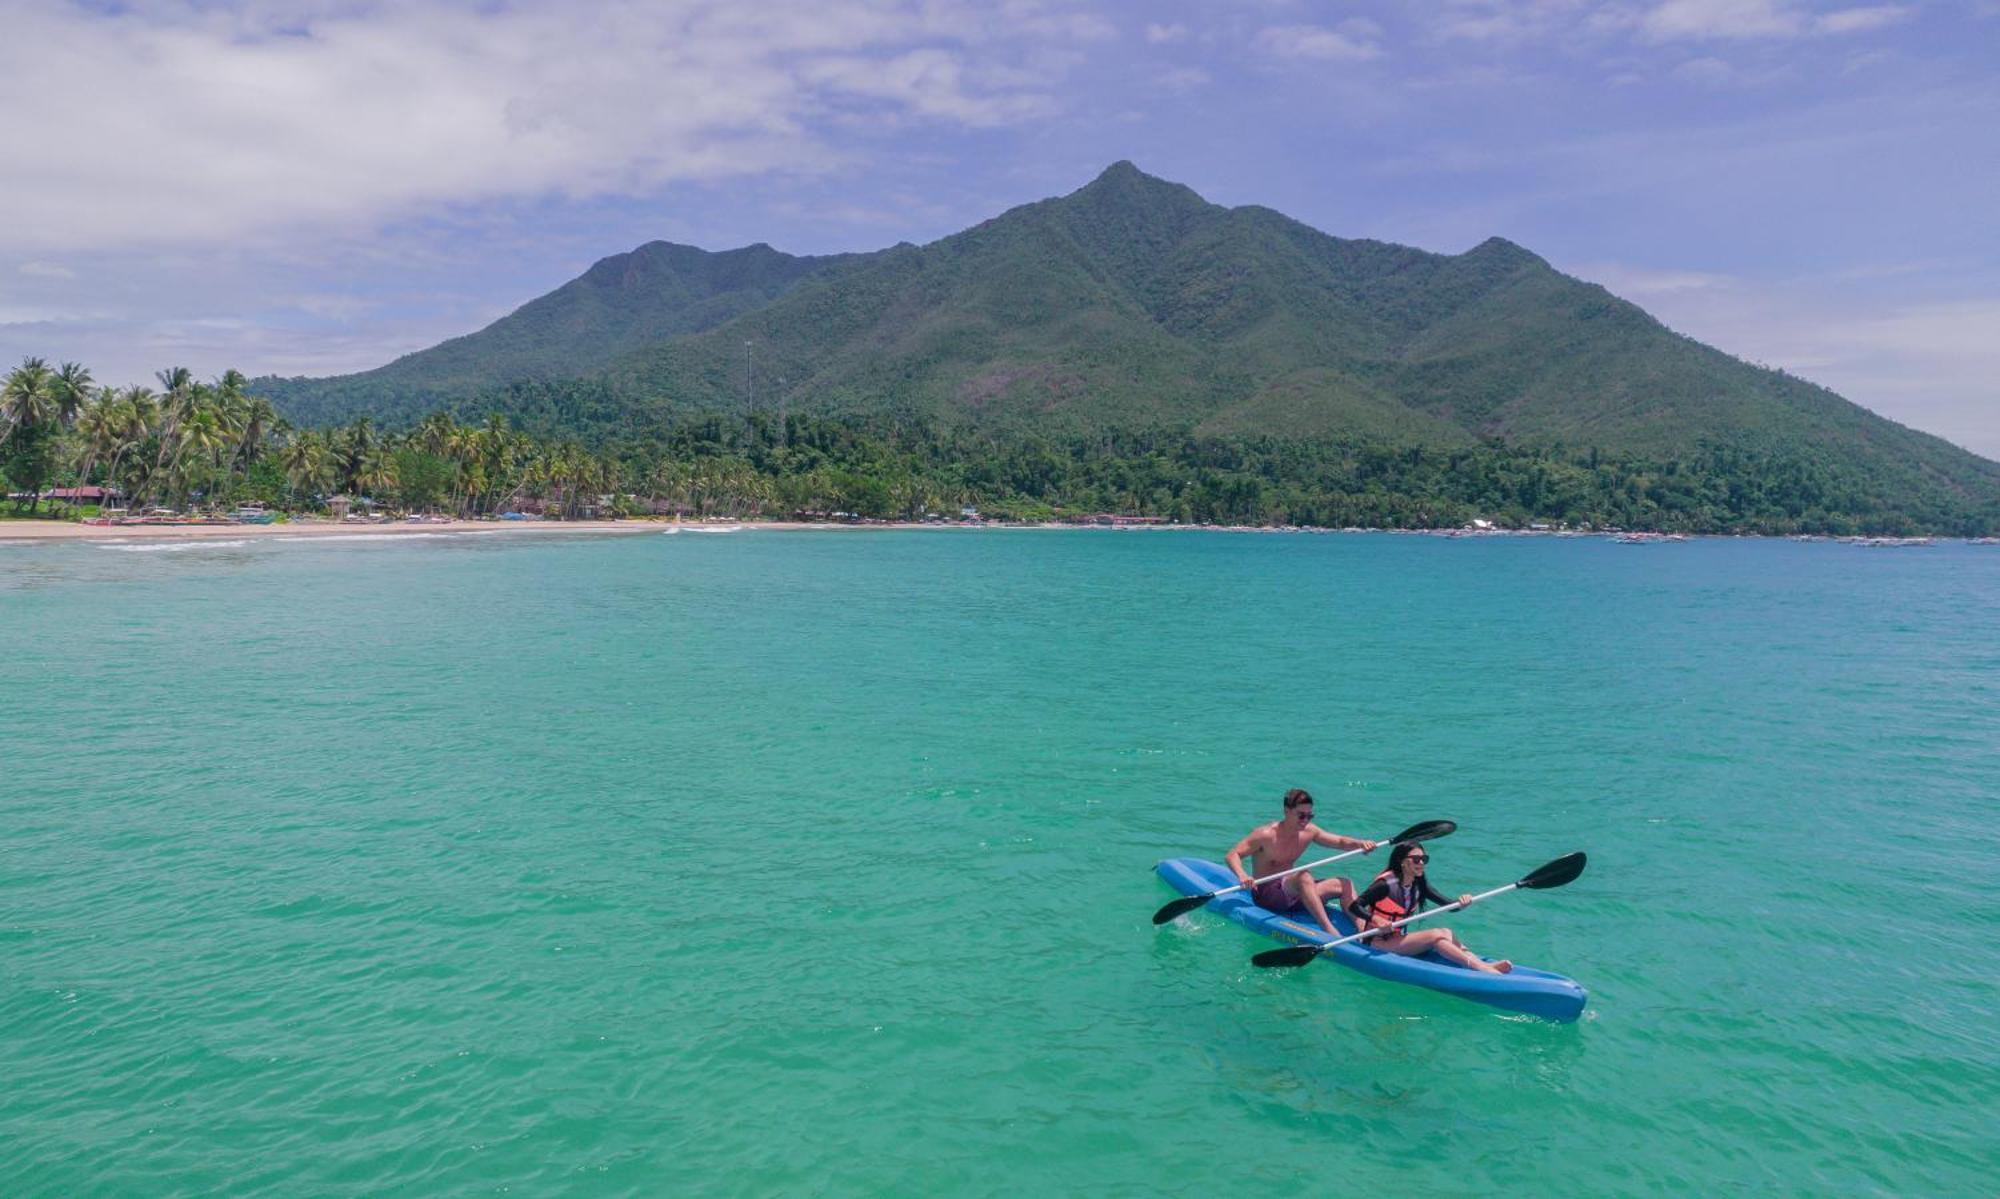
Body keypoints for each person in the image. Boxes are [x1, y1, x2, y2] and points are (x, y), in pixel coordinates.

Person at [1225, 789, 1377, 935]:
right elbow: (1233, 855)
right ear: (1287, 811)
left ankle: (1364, 930)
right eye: (1301, 815)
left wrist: (1360, 844)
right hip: (1268, 897)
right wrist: (1243, 875)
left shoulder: (1309, 831)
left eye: (1309, 816)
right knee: (1304, 876)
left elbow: (1340, 842)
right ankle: (1329, 930)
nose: (1305, 820)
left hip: (1293, 893)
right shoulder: (1265, 835)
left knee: (1344, 884)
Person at [1347, 842, 1512, 973]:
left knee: (1446, 931)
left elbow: (1450, 906)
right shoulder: (1384, 885)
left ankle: (1479, 963)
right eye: (1416, 859)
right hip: (1376, 942)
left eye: (1424, 859)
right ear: (1403, 862)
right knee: (1435, 936)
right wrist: (1374, 918)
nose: (1421, 864)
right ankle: (1479, 968)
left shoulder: (1419, 883)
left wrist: (1462, 902)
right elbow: (1355, 906)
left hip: (1396, 938)